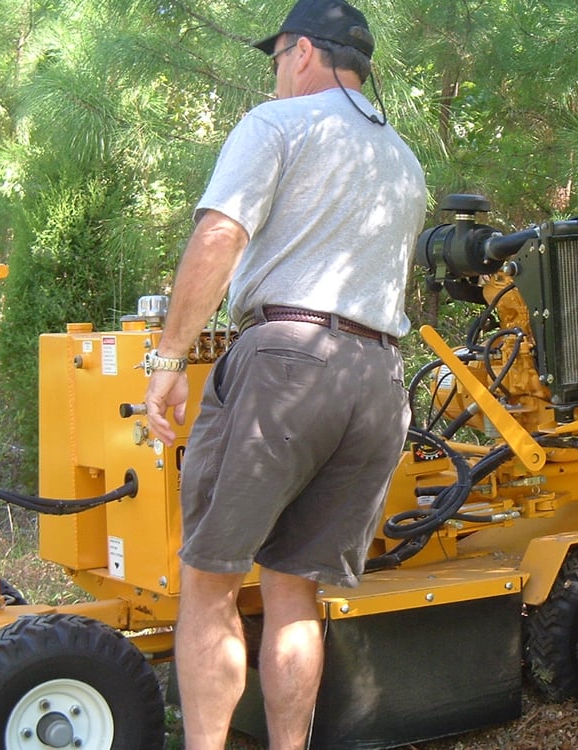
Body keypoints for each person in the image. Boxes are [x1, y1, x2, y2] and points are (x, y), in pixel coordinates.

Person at [142, 0, 426, 747]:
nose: (274, 77)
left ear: (301, 52)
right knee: (294, 591)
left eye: (276, 61)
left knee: (208, 583)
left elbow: (220, 233)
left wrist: (169, 360)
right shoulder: (401, 155)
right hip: (375, 377)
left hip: (286, 368)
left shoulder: (277, 125)